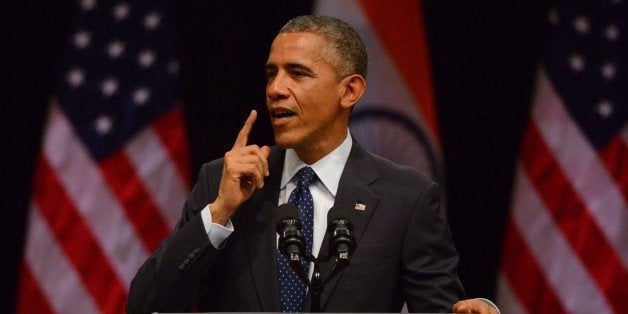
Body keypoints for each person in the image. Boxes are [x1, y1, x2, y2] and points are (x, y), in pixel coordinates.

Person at [127, 15, 498, 313]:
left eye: (297, 73)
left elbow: (442, 307)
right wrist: (221, 212)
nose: (276, 88)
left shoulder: (406, 198)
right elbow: (147, 304)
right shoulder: (222, 182)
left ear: (349, 91)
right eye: (272, 73)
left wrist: (474, 309)